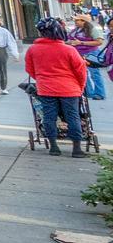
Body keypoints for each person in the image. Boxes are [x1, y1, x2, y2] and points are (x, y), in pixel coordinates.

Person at [24, 16, 89, 158]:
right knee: (73, 117)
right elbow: (80, 70)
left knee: (49, 116)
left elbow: (30, 69)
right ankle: (77, 148)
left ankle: (54, 146)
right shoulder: (69, 50)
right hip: (69, 88)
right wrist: (80, 86)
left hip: (46, 88)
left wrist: (42, 78)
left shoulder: (33, 50)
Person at [69, 16, 108, 102]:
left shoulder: (93, 29)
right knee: (83, 73)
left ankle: (100, 93)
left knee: (95, 74)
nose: (75, 21)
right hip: (79, 54)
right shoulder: (75, 30)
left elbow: (99, 42)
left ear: (84, 21)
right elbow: (70, 40)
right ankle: (88, 92)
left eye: (77, 20)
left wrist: (81, 42)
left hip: (90, 54)